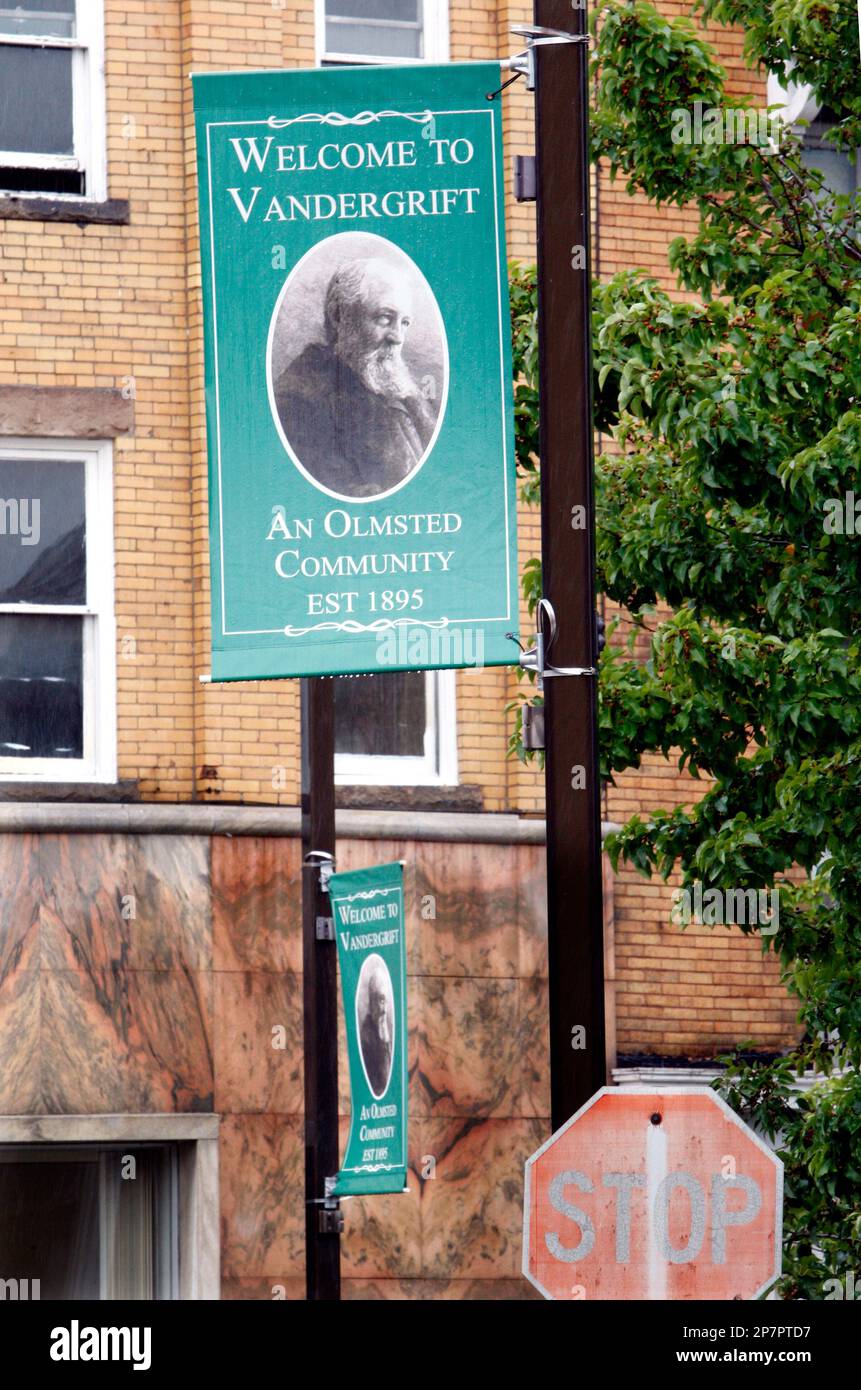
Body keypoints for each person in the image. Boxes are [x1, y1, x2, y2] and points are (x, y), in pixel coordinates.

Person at [272, 256, 438, 497]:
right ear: (339, 316)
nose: (398, 337)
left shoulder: (401, 390)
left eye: (404, 323)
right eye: (385, 318)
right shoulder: (300, 400)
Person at [360, 967, 393, 1097]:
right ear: (372, 1001)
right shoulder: (366, 1034)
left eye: (385, 1001)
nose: (383, 1009)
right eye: (380, 1000)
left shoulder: (388, 1026)